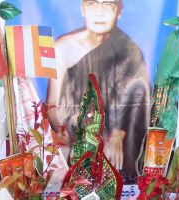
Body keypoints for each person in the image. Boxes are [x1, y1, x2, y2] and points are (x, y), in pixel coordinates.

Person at [46, 0, 150, 181]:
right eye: (93, 4)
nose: (99, 13)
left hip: (114, 144)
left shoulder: (130, 52)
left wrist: (118, 134)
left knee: (117, 164)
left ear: (119, 11)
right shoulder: (63, 47)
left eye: (107, 4)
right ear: (82, 9)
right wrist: (63, 132)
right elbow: (51, 105)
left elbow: (138, 107)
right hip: (74, 139)